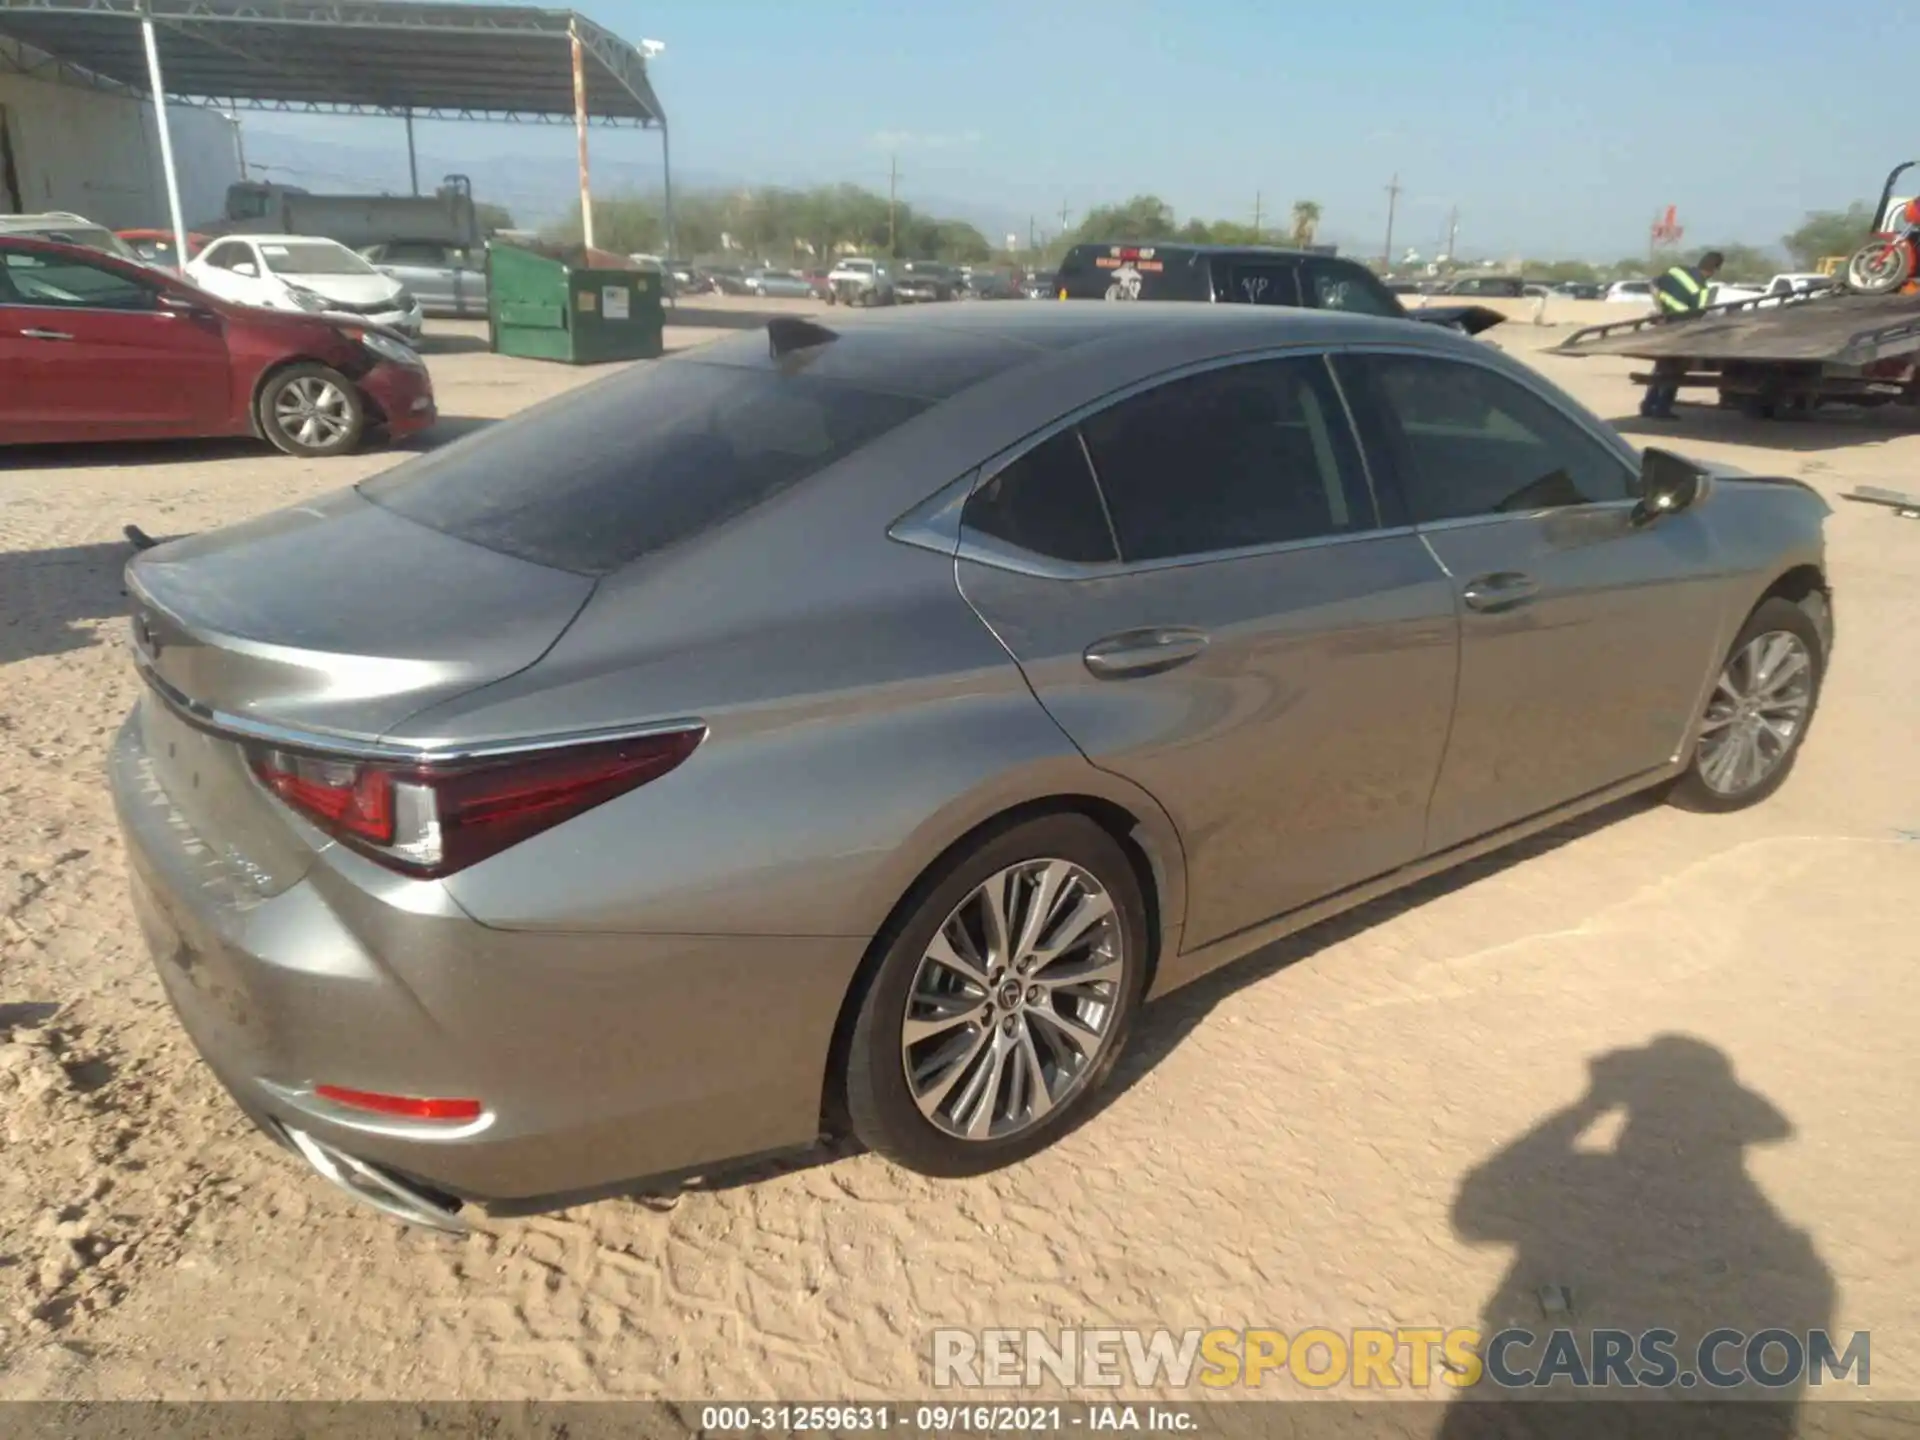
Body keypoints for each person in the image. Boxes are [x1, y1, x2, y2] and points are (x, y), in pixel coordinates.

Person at [1640, 249, 1724, 419]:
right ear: (1713, 270)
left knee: (1661, 367)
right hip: (1680, 329)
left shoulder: (1676, 270)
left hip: (1665, 324)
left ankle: (1648, 405)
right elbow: (1697, 316)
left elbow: (1654, 285)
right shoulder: (1701, 289)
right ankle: (1662, 409)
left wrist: (1661, 310)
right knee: (1675, 370)